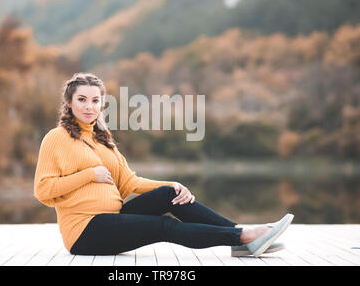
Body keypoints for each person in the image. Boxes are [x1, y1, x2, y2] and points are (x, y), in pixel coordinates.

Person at [33, 72, 293, 257]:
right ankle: (243, 237)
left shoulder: (103, 139)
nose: (89, 107)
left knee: (170, 195)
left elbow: (130, 183)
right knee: (164, 228)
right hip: (85, 232)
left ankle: (238, 234)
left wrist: (172, 184)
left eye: (95, 100)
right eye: (81, 99)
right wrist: (89, 174)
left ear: (102, 103)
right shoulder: (57, 138)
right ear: (69, 102)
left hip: (113, 220)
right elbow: (43, 191)